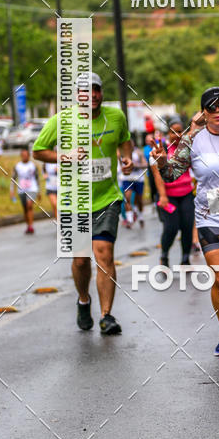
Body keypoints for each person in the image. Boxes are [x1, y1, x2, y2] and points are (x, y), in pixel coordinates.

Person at [150, 87, 219, 357]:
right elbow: (171, 174)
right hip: (211, 218)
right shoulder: (192, 140)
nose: (218, 111)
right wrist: (162, 163)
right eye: (211, 107)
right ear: (203, 113)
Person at [33, 71, 133, 335]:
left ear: (101, 92)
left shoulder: (116, 117)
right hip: (74, 202)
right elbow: (38, 150)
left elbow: (125, 140)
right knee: (80, 261)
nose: (93, 95)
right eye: (86, 91)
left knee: (104, 254)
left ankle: (106, 316)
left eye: (96, 90)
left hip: (107, 198)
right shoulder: (62, 120)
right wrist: (65, 155)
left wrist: (126, 158)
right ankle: (83, 300)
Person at [150, 115, 195, 267]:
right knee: (171, 228)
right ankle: (164, 255)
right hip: (168, 196)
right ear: (168, 133)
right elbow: (157, 175)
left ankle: (185, 258)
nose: (177, 135)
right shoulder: (160, 150)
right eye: (173, 132)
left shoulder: (187, 149)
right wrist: (162, 196)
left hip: (186, 194)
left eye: (180, 131)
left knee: (187, 227)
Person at [11, 146, 41, 234]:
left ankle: (31, 226)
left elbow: (37, 178)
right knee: (25, 208)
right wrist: (12, 191)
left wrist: (39, 191)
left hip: (32, 189)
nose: (25, 157)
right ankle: (28, 226)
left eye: (26, 155)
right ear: (21, 156)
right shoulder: (17, 166)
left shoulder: (33, 166)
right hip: (21, 190)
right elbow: (13, 179)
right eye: (23, 155)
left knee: (29, 205)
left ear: (29, 156)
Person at [121, 136, 147, 227]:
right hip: (127, 179)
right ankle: (129, 220)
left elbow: (145, 164)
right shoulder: (121, 153)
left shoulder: (138, 152)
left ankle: (140, 216)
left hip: (138, 179)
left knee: (139, 200)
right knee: (127, 198)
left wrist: (136, 165)